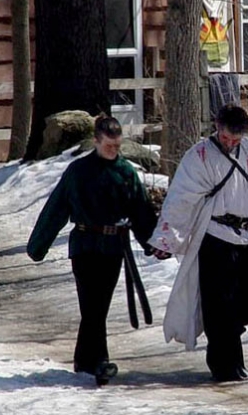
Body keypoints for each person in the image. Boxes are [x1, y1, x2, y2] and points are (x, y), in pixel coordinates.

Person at [148, 104, 248, 382]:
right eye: (226, 138)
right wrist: (166, 239)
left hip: (247, 237)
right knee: (219, 305)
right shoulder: (198, 156)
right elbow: (180, 200)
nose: (231, 143)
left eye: (236, 139)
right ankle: (226, 368)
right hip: (214, 238)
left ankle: (225, 343)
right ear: (217, 127)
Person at [27, 114, 159, 386]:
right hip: (85, 246)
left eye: (117, 146)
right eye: (109, 145)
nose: (114, 150)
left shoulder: (126, 173)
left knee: (97, 308)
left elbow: (141, 213)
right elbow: (56, 208)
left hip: (113, 248)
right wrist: (38, 246)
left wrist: (155, 245)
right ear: (96, 142)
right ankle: (100, 362)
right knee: (93, 305)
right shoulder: (79, 171)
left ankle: (84, 359)